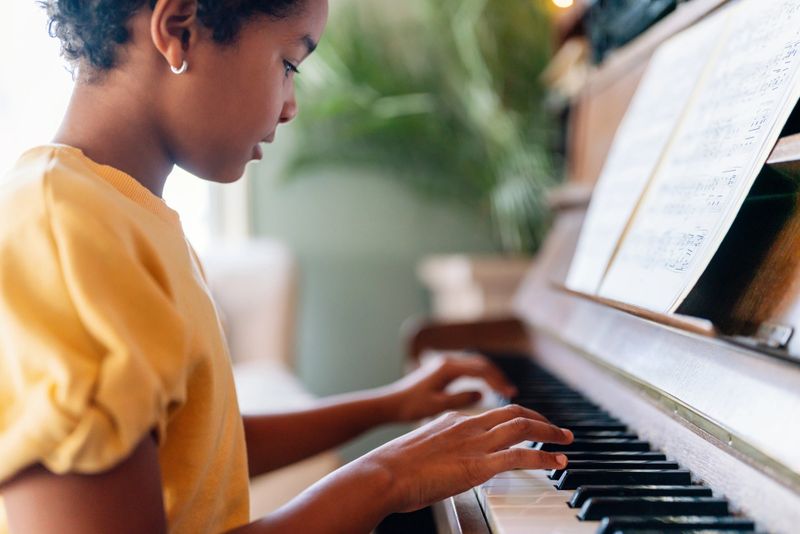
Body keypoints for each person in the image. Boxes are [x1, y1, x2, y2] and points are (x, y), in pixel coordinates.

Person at [0, 1, 573, 532]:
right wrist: (387, 477)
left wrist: (391, 405)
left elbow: (202, 448)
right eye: (289, 64)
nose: (291, 105)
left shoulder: (119, 213)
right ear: (179, 30)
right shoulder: (65, 231)